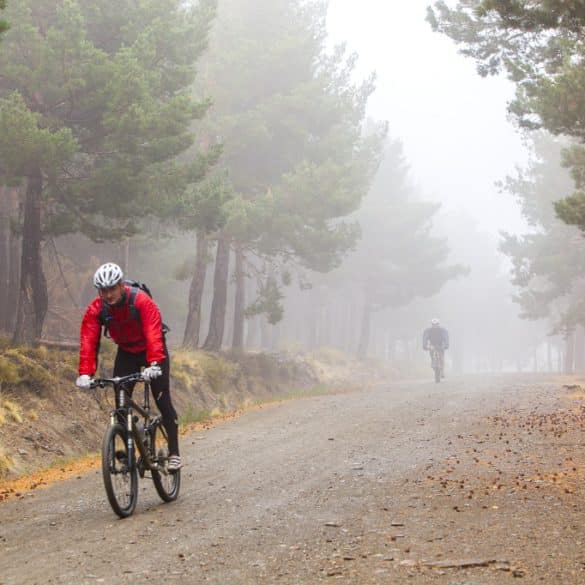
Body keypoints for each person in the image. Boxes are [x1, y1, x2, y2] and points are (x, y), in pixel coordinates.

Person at [76, 262, 181, 471]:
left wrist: (154, 363)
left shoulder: (141, 300)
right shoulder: (96, 309)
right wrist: (85, 373)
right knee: (121, 402)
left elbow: (153, 334)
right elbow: (88, 341)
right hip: (126, 352)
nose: (107, 295)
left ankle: (174, 453)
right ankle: (130, 450)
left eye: (112, 289)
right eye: (103, 290)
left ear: (121, 285)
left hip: (153, 351)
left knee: (162, 400)